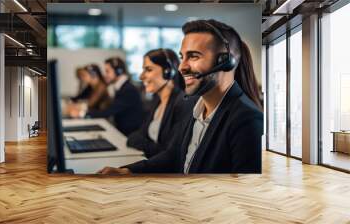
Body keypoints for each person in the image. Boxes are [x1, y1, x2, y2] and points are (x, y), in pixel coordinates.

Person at [97, 19, 263, 174]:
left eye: (193, 56)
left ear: (226, 61)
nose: (182, 67)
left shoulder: (246, 119)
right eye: (182, 57)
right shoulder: (196, 108)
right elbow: (173, 155)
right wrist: (127, 171)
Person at [127, 48, 190, 158]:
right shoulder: (157, 100)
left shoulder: (182, 103)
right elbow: (136, 135)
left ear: (168, 72)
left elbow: (170, 154)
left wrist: (146, 145)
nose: (141, 77)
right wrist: (151, 146)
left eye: (149, 69)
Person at [86, 57, 144, 136]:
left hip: (129, 135)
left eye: (107, 71)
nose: (105, 75)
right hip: (122, 132)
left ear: (119, 71)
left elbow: (108, 112)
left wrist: (82, 113)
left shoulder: (128, 90)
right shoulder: (120, 87)